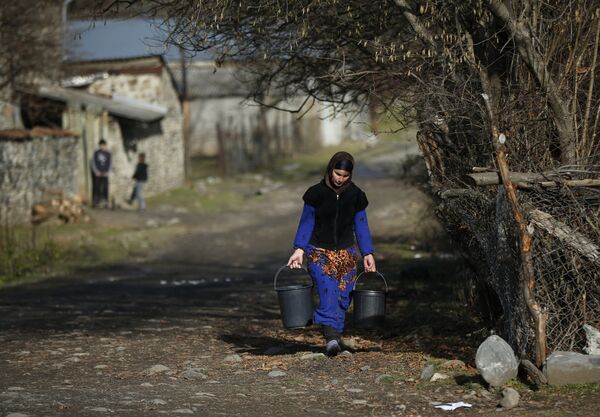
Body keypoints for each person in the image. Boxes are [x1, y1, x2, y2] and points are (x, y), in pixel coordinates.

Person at [287, 151, 376, 356]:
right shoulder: (315, 194)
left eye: (345, 176)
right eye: (337, 173)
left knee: (344, 296)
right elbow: (306, 222)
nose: (340, 179)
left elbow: (361, 226)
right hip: (319, 252)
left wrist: (368, 253)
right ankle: (332, 340)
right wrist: (299, 249)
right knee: (328, 292)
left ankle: (335, 334)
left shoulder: (356, 196)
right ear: (330, 169)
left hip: (346, 253)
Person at [91, 139, 112, 208]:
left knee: (105, 187)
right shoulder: (96, 153)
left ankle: (105, 201)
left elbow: (110, 164)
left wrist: (108, 172)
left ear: (105, 146)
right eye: (101, 145)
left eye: (104, 145)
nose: (102, 147)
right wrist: (96, 171)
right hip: (98, 173)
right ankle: (95, 202)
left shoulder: (108, 154)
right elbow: (93, 163)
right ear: (99, 146)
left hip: (105, 173)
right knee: (96, 187)